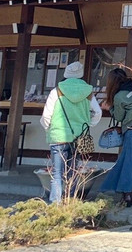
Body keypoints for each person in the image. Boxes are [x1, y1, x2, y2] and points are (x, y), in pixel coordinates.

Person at [40, 60, 102, 203]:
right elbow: (97, 112)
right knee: (73, 172)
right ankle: (71, 202)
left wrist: (48, 129)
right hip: (79, 137)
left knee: (57, 173)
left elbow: (46, 116)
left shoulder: (57, 91)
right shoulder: (88, 92)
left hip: (59, 136)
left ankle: (55, 204)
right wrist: (89, 124)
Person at [98, 67, 132, 206]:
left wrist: (109, 108)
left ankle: (127, 194)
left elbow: (119, 116)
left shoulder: (119, 96)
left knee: (128, 161)